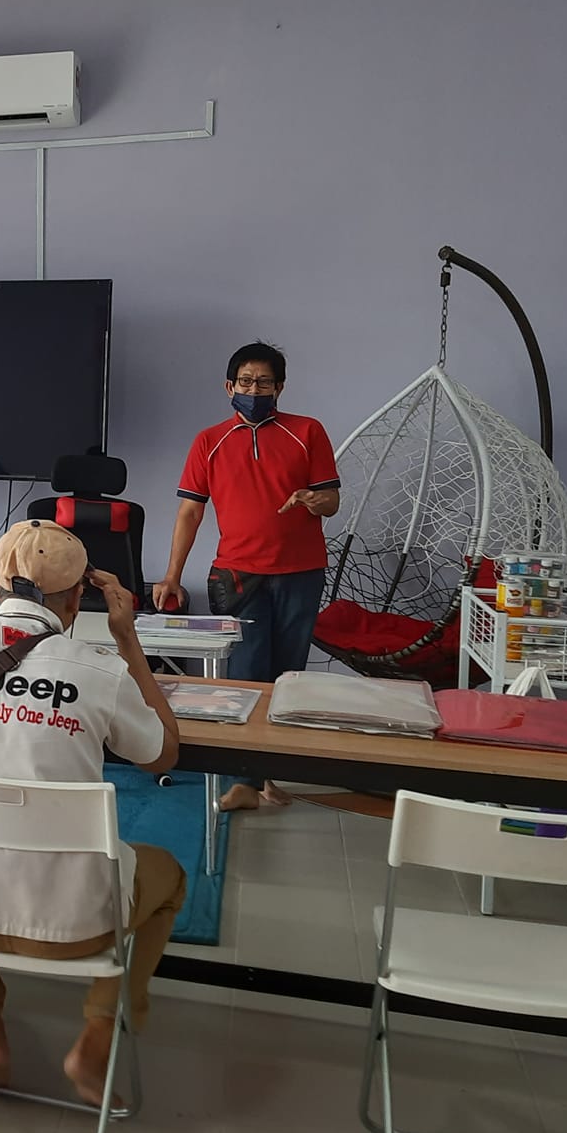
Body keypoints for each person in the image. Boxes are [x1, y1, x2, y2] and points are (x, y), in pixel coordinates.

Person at [0, 520, 185, 1107]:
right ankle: (95, 1041)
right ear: (78, 598)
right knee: (170, 877)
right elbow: (162, 753)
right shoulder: (99, 670)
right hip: (74, 930)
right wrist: (128, 642)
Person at [152, 342, 340, 812]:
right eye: (246, 381)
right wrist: (172, 575)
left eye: (264, 382)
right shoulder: (209, 440)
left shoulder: (307, 431)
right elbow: (190, 512)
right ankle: (244, 781)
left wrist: (314, 500)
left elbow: (332, 501)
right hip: (237, 574)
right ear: (229, 386)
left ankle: (268, 776)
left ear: (280, 387)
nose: (254, 390)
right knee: (245, 676)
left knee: (288, 677)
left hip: (301, 573)